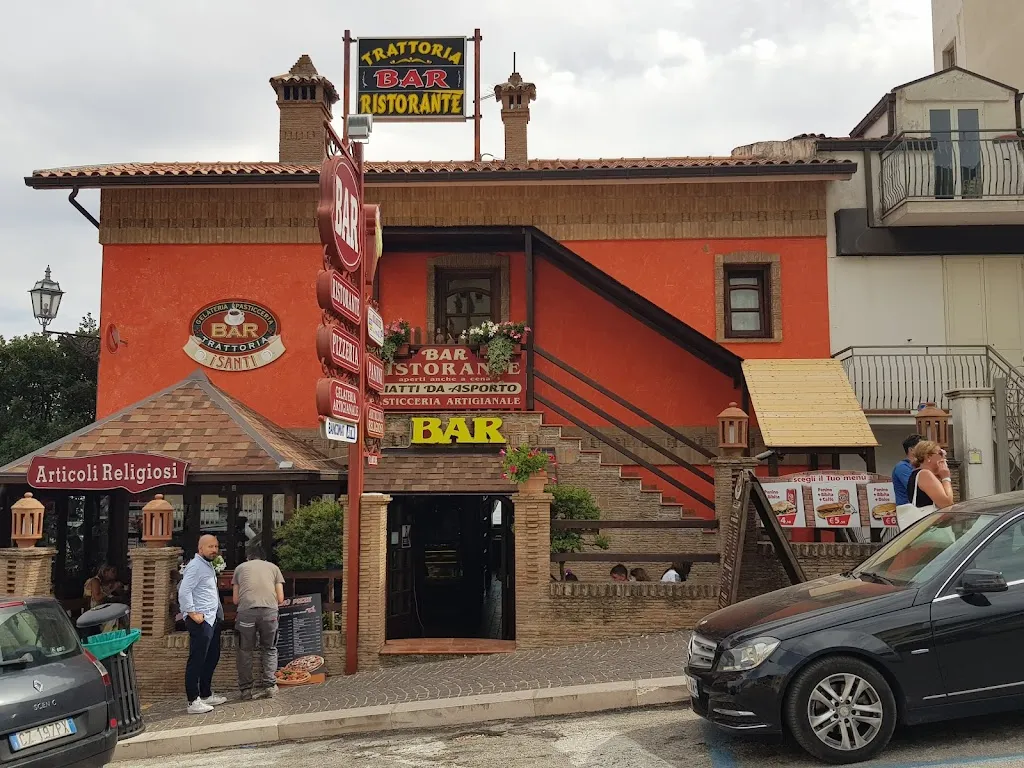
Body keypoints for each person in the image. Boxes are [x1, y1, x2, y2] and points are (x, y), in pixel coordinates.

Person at [178, 535, 227, 714]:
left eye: (216, 546)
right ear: (200, 549)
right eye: (210, 547)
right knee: (197, 660)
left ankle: (205, 694)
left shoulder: (208, 565)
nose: (214, 550)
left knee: (212, 656)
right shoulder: (195, 566)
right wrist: (192, 613)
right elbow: (184, 591)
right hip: (201, 620)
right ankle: (193, 701)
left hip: (211, 618)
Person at [232, 552, 285, 700]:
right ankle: (270, 686)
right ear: (264, 558)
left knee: (245, 651)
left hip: (246, 613)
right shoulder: (274, 568)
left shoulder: (240, 569)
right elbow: (280, 598)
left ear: (248, 558)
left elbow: (236, 600)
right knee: (269, 648)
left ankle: (246, 690)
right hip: (270, 614)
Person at [907, 440, 955, 511]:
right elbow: (947, 505)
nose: (944, 457)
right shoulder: (925, 474)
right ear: (928, 457)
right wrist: (946, 478)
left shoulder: (916, 474)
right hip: (930, 520)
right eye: (940, 453)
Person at [892, 434, 923, 506]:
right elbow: (916, 488)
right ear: (911, 450)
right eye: (921, 447)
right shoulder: (902, 467)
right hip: (909, 511)